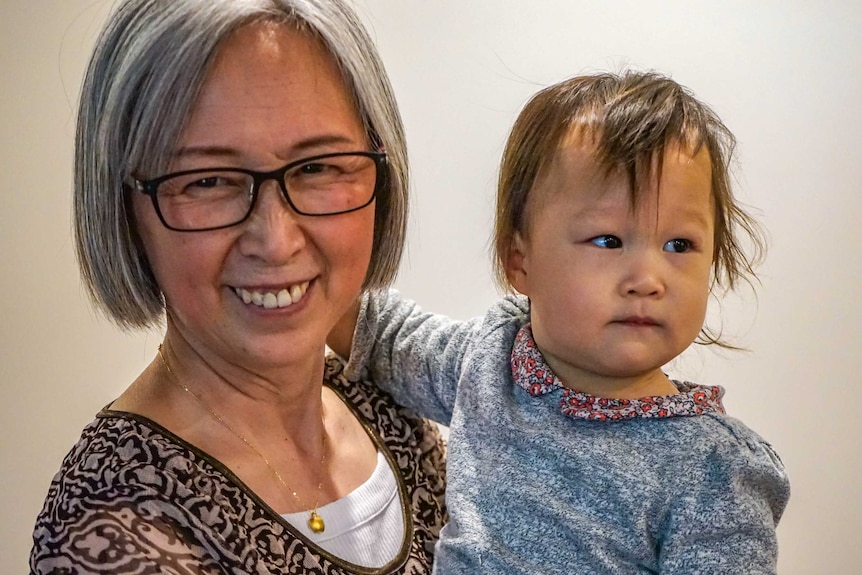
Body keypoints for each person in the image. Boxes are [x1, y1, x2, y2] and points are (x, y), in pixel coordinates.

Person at [29, 1, 447, 573]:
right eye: (207, 181)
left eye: (318, 167)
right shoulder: (116, 526)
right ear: (124, 210)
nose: (275, 241)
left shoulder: (394, 414)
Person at [331, 71, 790, 574]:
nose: (648, 279)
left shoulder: (715, 469)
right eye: (608, 241)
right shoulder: (492, 360)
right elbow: (375, 331)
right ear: (520, 262)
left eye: (679, 245)